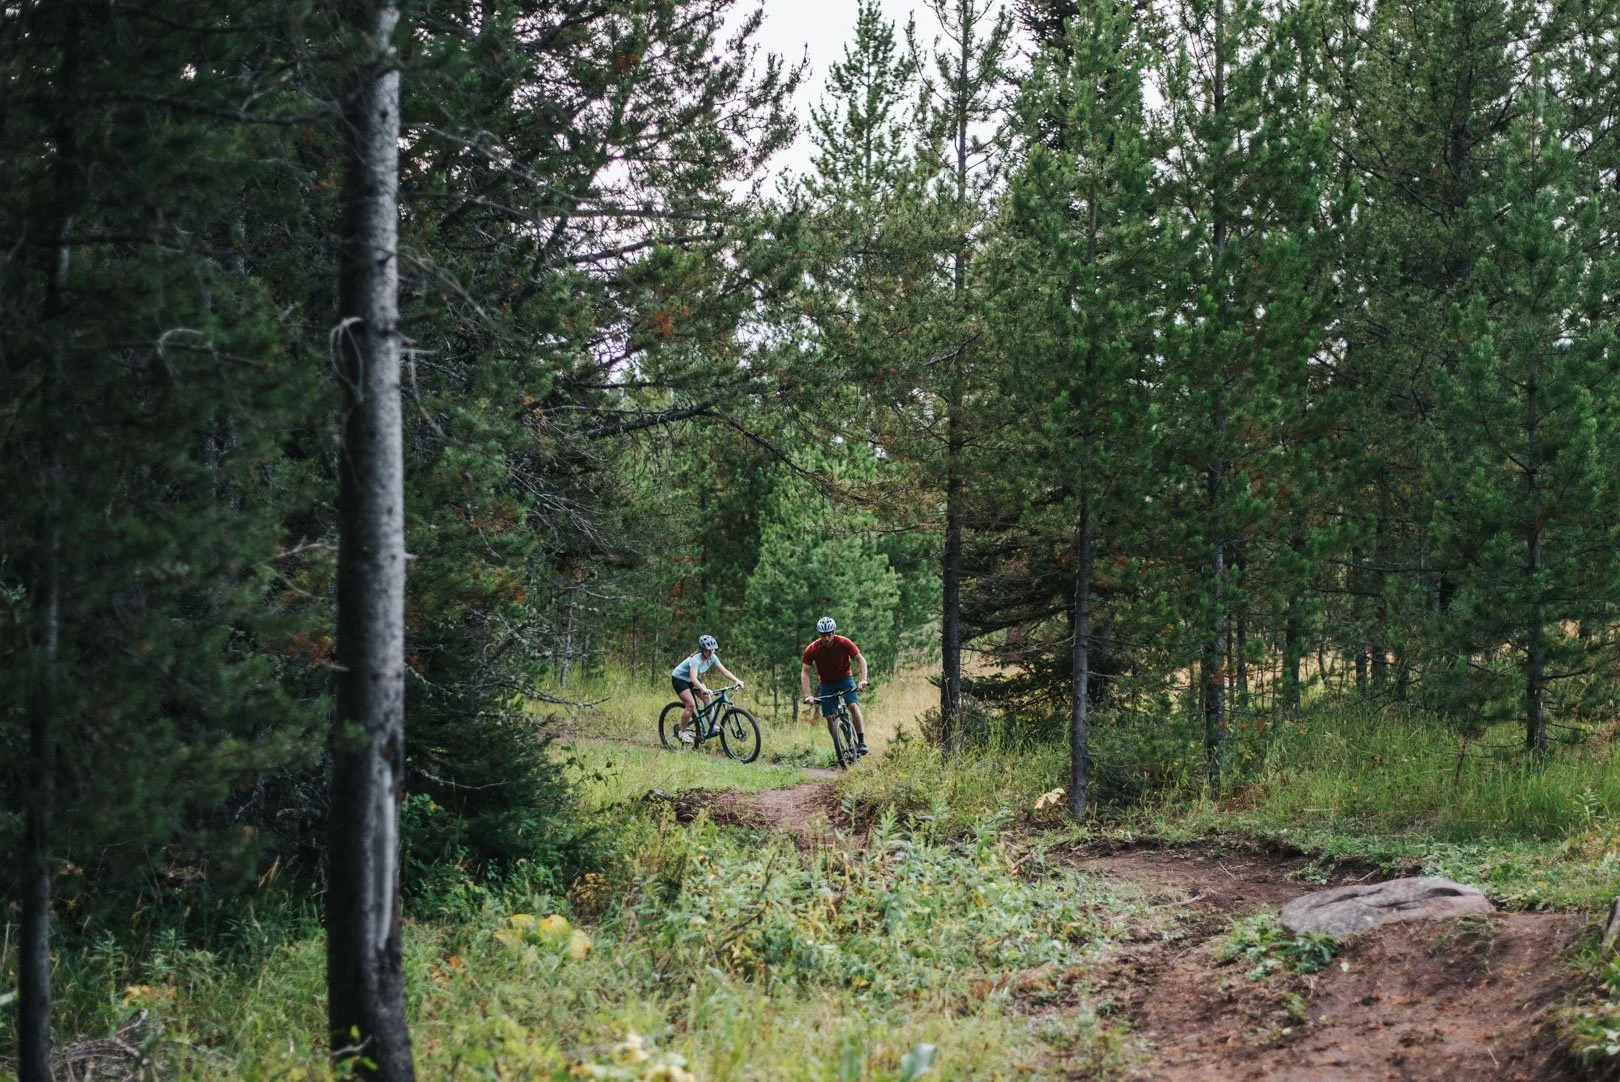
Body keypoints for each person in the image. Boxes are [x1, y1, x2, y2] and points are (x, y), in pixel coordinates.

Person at [800, 616, 870, 758]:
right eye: (824, 635)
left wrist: (863, 680)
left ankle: (861, 742)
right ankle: (841, 746)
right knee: (829, 717)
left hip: (845, 678)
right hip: (826, 683)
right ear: (819, 634)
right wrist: (808, 695)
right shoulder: (812, 649)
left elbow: (861, 660)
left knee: (852, 706)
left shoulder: (843, 642)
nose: (827, 638)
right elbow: (805, 672)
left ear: (834, 632)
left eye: (830, 634)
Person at [670, 635, 742, 744]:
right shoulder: (695, 659)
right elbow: (694, 679)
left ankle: (711, 727)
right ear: (702, 649)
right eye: (709, 650)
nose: (711, 652)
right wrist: (704, 689)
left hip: (691, 679)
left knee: (707, 698)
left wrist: (737, 680)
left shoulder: (713, 658)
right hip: (679, 679)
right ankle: (682, 732)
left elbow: (724, 671)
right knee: (691, 705)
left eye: (713, 650)